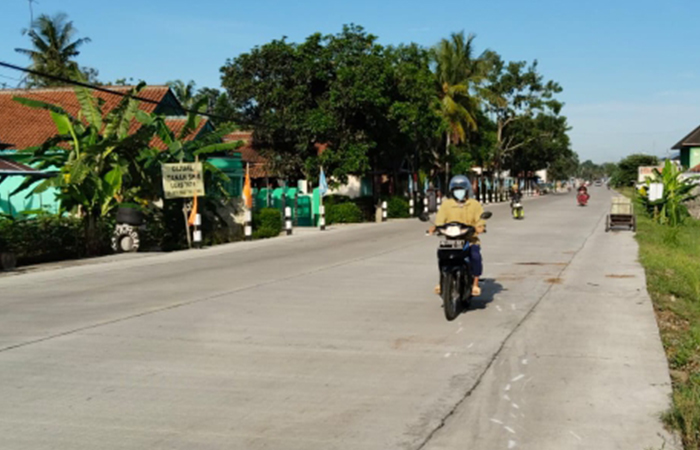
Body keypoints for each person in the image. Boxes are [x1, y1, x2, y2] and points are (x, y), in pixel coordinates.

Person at [430, 175, 485, 297]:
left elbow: (480, 219)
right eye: (456, 189)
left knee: (475, 256)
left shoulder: (474, 204)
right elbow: (440, 220)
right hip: (451, 240)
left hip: (470, 239)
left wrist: (480, 226)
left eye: (461, 189)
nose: (458, 192)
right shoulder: (446, 205)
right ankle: (442, 281)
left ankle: (475, 284)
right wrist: (435, 227)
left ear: (466, 190)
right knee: (441, 255)